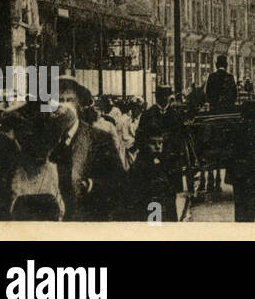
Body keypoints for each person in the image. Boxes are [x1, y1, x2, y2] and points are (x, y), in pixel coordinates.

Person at [51, 79, 127, 221]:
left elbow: (119, 183)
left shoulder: (100, 139)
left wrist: (91, 185)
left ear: (79, 104)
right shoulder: (45, 139)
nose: (64, 106)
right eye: (59, 100)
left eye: (69, 100)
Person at [225, 102, 255, 222]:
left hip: (239, 175)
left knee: (239, 207)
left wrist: (231, 175)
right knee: (251, 208)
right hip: (253, 175)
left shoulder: (235, 130)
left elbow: (229, 154)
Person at [126, 129, 179, 222]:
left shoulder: (164, 163)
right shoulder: (139, 167)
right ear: (144, 145)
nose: (158, 147)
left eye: (160, 143)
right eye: (153, 143)